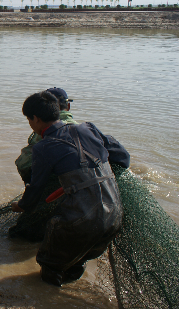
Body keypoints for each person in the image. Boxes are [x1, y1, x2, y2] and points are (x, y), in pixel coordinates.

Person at [11, 91, 130, 286]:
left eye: (28, 119)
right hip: (115, 215)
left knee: (50, 262)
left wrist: (21, 206)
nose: (30, 124)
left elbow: (35, 191)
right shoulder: (89, 128)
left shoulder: (43, 147)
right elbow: (123, 157)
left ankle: (47, 297)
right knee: (77, 259)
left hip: (82, 221)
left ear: (36, 119)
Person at [9, 87, 77, 241]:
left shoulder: (45, 142)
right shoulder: (86, 129)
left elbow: (37, 186)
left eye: (29, 119)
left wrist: (22, 206)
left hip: (52, 192)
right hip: (84, 200)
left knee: (18, 237)